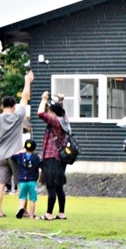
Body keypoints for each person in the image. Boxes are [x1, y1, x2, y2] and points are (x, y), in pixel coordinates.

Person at [0, 70, 34, 217]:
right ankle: (23, 209)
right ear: (13, 106)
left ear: (2, 106)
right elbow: (25, 97)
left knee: (0, 183)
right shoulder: (18, 115)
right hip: (16, 155)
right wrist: (27, 81)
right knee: (21, 182)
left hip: (0, 155)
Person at [37, 91, 71, 220]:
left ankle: (49, 214)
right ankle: (61, 213)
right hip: (60, 159)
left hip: (51, 157)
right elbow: (60, 111)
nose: (48, 113)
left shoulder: (55, 122)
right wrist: (60, 101)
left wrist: (44, 99)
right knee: (59, 187)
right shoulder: (64, 121)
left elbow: (40, 113)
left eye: (50, 111)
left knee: (51, 186)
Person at [12, 139, 41, 220]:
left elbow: (12, 157)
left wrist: (20, 151)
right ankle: (31, 216)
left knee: (22, 197)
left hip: (22, 181)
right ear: (35, 148)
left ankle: (21, 208)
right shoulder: (36, 157)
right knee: (32, 198)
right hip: (32, 181)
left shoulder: (20, 156)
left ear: (25, 147)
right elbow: (40, 167)